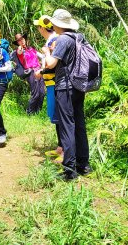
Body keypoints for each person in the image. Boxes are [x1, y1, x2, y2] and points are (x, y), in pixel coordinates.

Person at [42, 9, 91, 180]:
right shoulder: (79, 37)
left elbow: (50, 64)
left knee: (67, 126)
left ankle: (70, 170)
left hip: (65, 87)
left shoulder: (62, 39)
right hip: (79, 86)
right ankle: (84, 165)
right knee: (79, 124)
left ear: (57, 24)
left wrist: (47, 52)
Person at [33, 16, 63, 159]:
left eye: (38, 27)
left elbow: (53, 65)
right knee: (56, 115)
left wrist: (41, 72)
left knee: (58, 115)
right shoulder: (51, 40)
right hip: (52, 83)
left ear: (43, 28)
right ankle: (60, 147)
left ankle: (63, 150)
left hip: (55, 83)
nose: (38, 30)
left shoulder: (54, 40)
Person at [13, 32, 45, 114]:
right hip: (30, 72)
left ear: (25, 39)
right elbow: (19, 52)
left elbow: (42, 56)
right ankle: (30, 112)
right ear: (17, 43)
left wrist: (42, 66)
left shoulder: (31, 49)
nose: (22, 41)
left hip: (39, 71)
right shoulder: (19, 51)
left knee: (42, 92)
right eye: (19, 40)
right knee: (35, 93)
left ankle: (38, 111)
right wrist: (20, 48)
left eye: (22, 39)